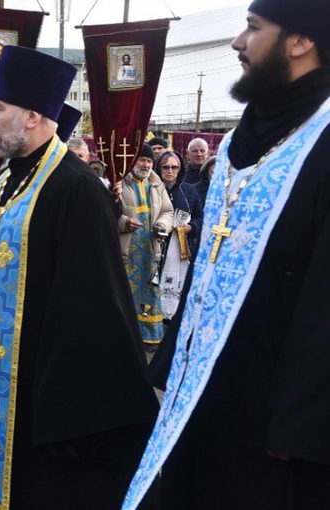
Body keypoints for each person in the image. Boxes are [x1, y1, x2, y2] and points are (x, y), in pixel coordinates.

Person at [0, 45, 157, 509]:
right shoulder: (9, 182)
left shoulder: (77, 189)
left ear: (32, 115)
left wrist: (67, 416)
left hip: (34, 405)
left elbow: (91, 313)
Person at [124, 2, 330, 507]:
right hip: (203, 385)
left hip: (270, 412)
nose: (238, 42)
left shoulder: (322, 140)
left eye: (254, 29)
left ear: (301, 41)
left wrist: (299, 426)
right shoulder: (244, 136)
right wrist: (173, 363)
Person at [118, 144, 173, 348]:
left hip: (150, 250)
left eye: (149, 161)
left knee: (149, 291)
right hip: (127, 249)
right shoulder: (120, 182)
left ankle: (149, 336)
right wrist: (124, 222)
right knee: (124, 291)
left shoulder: (157, 184)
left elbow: (168, 211)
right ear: (132, 160)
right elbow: (108, 211)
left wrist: (162, 226)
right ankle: (125, 336)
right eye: (142, 159)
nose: (146, 164)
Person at [156, 151, 203, 321]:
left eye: (174, 167)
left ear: (180, 169)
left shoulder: (188, 191)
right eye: (165, 167)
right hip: (156, 245)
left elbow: (200, 216)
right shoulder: (152, 188)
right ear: (159, 168)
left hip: (180, 247)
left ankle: (173, 318)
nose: (169, 171)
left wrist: (191, 227)